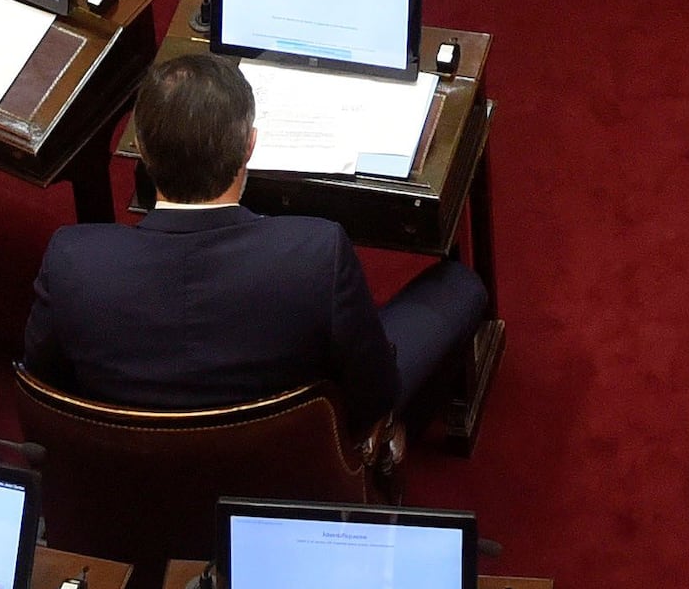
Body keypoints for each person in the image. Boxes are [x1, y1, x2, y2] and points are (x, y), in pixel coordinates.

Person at [26, 47, 493, 423]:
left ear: (142, 151)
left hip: (134, 486)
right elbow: (373, 399)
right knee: (460, 286)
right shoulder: (316, 254)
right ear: (250, 145)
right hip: (284, 482)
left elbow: (47, 389)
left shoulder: (73, 258)